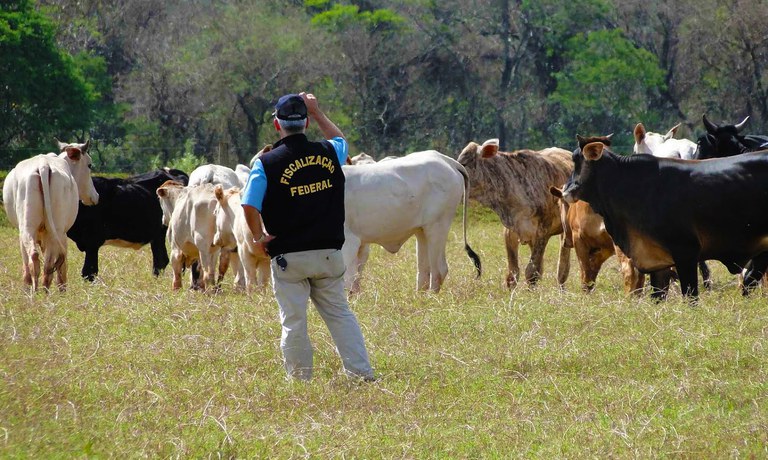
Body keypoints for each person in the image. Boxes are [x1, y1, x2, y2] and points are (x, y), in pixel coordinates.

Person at [241, 92, 374, 382]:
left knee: (294, 321)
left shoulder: (265, 164)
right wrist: (318, 112)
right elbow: (342, 142)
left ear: (277, 125)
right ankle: (361, 374)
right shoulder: (329, 152)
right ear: (306, 124)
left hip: (289, 257)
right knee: (340, 315)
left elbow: (249, 204)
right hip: (328, 253)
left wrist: (258, 237)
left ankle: (300, 380)